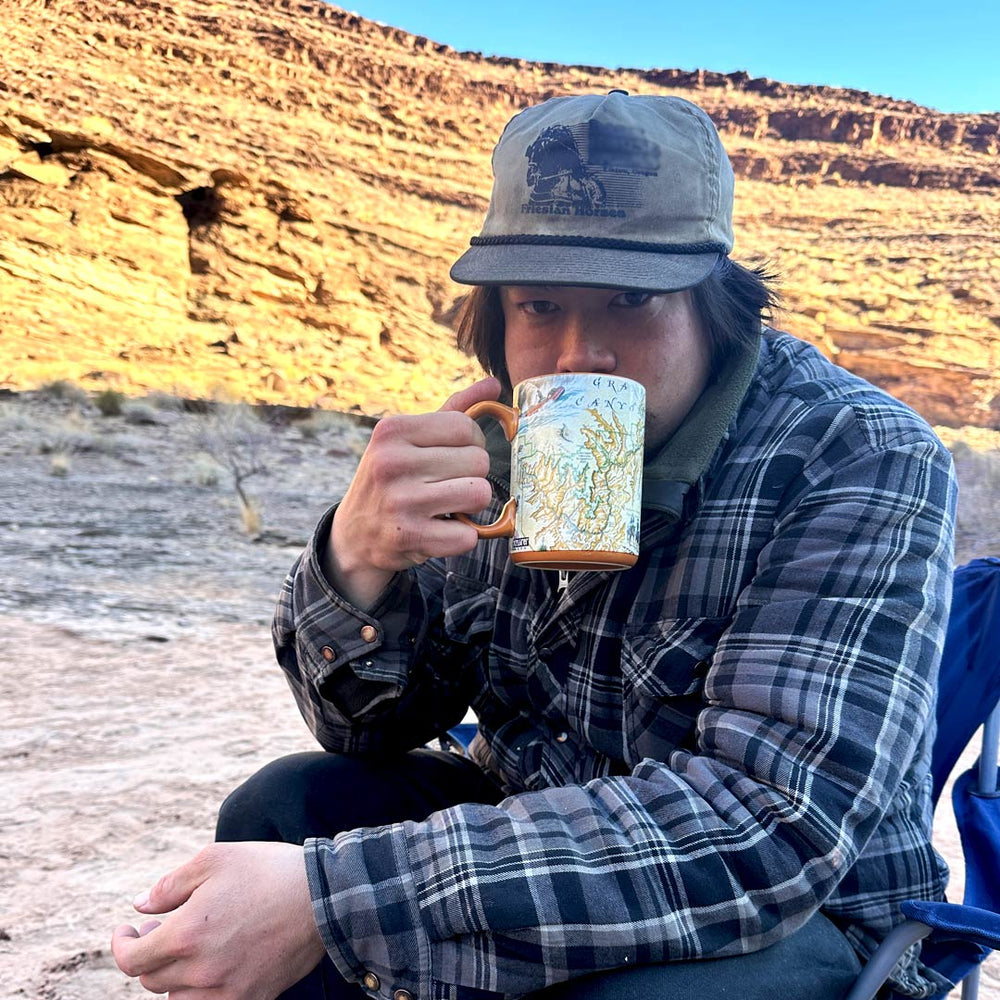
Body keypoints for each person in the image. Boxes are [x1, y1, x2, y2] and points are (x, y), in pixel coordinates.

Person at [111, 91, 959, 1000]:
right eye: (540, 305)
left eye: (632, 299)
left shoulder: (857, 454)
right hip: (534, 826)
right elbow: (365, 728)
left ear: (717, 309)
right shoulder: (502, 444)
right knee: (287, 806)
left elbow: (768, 831)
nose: (577, 355)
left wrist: (337, 900)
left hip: (802, 917)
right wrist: (358, 566)